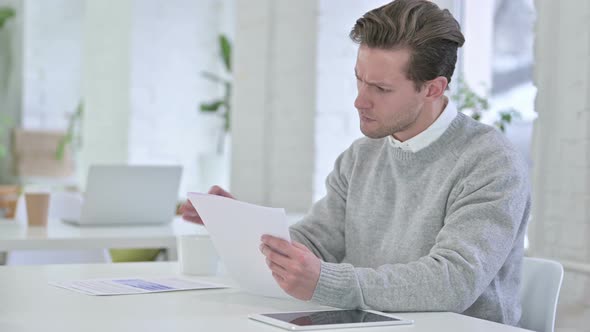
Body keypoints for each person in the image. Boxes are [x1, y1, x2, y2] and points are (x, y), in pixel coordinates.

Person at [181, 0, 530, 326]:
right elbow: (316, 242)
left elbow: (453, 281)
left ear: (433, 89)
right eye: (359, 79)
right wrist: (243, 226)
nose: (359, 101)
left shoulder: (490, 162)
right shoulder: (362, 155)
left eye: (381, 88)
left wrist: (328, 281)